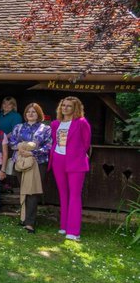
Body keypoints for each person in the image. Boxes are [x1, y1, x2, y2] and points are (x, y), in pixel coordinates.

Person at [49, 97, 91, 241]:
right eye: (63, 105)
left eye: (69, 106)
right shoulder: (55, 124)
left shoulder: (81, 123)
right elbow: (54, 141)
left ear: (75, 108)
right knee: (63, 194)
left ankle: (74, 231)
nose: (65, 108)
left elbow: (86, 143)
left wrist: (75, 155)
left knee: (74, 195)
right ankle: (64, 226)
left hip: (76, 161)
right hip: (58, 160)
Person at [9, 103, 52, 234]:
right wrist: (21, 148)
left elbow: (49, 146)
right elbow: (12, 142)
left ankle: (30, 222)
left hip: (37, 163)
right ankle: (23, 218)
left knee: (32, 192)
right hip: (21, 162)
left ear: (39, 114)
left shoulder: (45, 128)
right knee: (24, 190)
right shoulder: (18, 127)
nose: (31, 114)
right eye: (28, 112)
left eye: (34, 112)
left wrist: (33, 153)